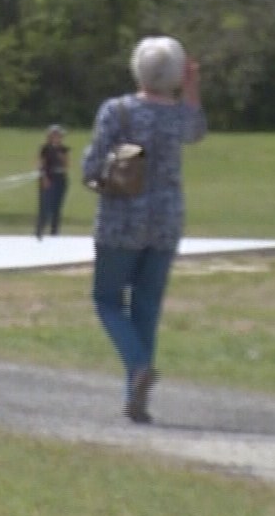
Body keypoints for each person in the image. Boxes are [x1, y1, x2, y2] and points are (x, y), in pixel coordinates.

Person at [83, 36, 206, 425]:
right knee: (146, 307)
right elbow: (197, 130)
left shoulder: (116, 111)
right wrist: (191, 88)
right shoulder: (180, 117)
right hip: (166, 221)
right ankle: (136, 398)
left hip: (121, 221)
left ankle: (137, 367)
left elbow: (91, 165)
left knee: (106, 299)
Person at [36, 124, 71, 240]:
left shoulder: (63, 149)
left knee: (57, 206)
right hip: (48, 178)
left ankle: (54, 232)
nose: (57, 138)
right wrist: (45, 179)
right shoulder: (45, 149)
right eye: (55, 135)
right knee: (45, 205)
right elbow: (41, 165)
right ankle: (39, 231)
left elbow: (67, 165)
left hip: (60, 178)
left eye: (59, 136)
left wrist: (61, 156)